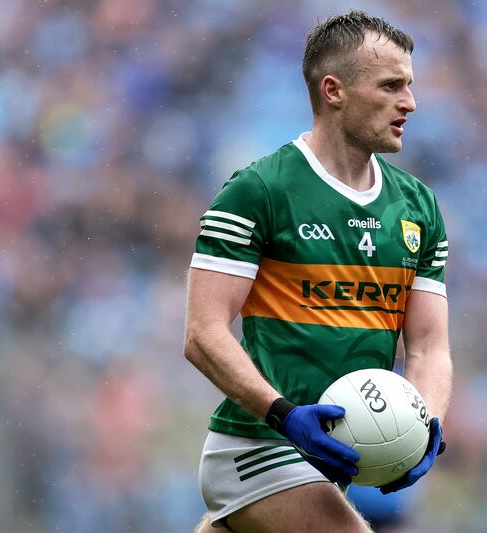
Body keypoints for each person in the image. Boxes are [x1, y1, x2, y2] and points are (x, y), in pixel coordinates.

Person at [184, 10, 452, 532]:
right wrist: (285, 414)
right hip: (258, 445)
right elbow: (202, 334)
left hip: (331, 462)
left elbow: (428, 346)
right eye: (391, 86)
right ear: (334, 91)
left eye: (410, 86)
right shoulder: (260, 190)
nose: (410, 103)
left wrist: (426, 422)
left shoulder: (418, 206)